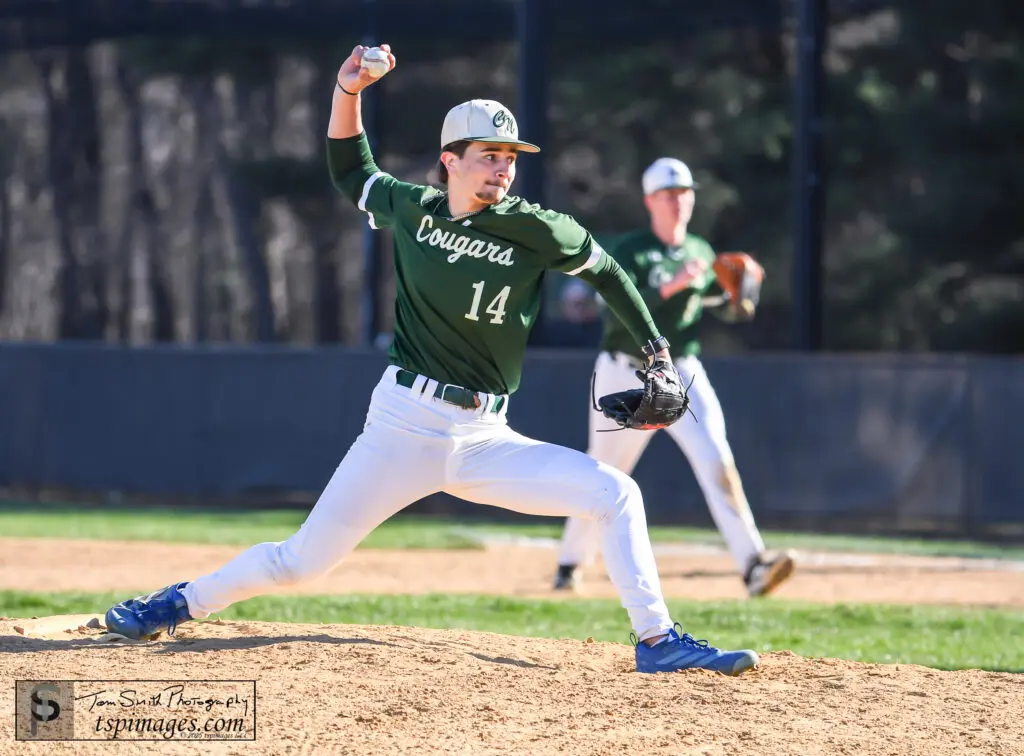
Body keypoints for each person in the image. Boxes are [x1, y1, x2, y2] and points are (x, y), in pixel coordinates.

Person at [103, 45, 761, 676]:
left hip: (486, 438)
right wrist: (347, 92)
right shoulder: (413, 211)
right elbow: (349, 170)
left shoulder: (537, 228)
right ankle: (176, 603)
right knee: (301, 562)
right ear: (450, 161)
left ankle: (657, 640)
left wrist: (657, 352)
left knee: (616, 493)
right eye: (487, 156)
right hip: (403, 426)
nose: (502, 168)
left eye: (510, 157)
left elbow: (611, 274)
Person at [552, 157, 795, 597]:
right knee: (603, 471)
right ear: (650, 201)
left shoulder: (701, 251)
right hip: (624, 371)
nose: (679, 201)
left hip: (682, 371)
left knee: (717, 460)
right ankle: (570, 563)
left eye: (685, 192)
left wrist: (733, 299)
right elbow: (618, 304)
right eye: (668, 194)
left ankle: (753, 565)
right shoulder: (632, 250)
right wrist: (676, 285)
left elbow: (699, 307)